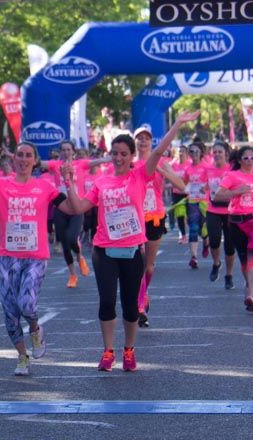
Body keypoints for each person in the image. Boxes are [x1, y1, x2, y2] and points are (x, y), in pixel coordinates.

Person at [75, 112, 199, 372]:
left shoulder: (140, 174)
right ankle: (108, 351)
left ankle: (128, 351)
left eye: (123, 154)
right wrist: (67, 184)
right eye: (115, 153)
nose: (118, 158)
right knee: (107, 302)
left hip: (132, 250)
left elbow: (158, 152)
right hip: (104, 250)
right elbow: (80, 206)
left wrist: (177, 123)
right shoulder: (101, 181)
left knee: (131, 306)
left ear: (131, 156)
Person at [0, 143, 83, 376]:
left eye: (28, 155)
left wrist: (69, 183)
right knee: (10, 312)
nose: (23, 159)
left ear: (34, 160)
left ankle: (35, 329)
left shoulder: (45, 186)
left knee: (27, 305)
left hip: (35, 256)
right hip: (8, 257)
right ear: (14, 159)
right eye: (19, 155)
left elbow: (72, 208)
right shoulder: (0, 184)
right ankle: (22, 356)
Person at [133, 125, 185, 328]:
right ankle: (139, 307)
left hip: (155, 217)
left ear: (152, 142)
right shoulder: (130, 163)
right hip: (134, 219)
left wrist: (163, 171)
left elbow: (181, 185)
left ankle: (144, 292)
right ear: (135, 142)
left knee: (148, 265)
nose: (143, 141)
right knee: (138, 262)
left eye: (147, 138)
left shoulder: (161, 162)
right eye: (139, 138)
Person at [214, 146, 253, 313]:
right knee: (244, 260)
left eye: (252, 157)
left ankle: (252, 295)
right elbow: (217, 196)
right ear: (240, 160)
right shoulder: (232, 176)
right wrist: (236, 191)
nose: (249, 161)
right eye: (246, 158)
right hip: (236, 221)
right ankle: (249, 287)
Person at [45, 141, 106, 288]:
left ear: (73, 151)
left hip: (77, 208)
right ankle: (72, 275)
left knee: (72, 238)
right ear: (60, 152)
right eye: (64, 150)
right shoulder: (56, 165)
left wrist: (112, 158)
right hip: (60, 208)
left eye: (68, 149)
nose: (66, 152)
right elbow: (39, 163)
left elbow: (98, 161)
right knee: (65, 243)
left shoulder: (81, 164)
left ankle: (79, 257)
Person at [204, 142, 236, 289]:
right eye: (214, 152)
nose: (217, 154)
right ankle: (216, 263)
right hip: (213, 210)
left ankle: (229, 275)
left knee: (230, 246)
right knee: (214, 241)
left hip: (230, 211)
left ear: (226, 154)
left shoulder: (232, 170)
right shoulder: (208, 169)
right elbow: (204, 186)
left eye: (220, 152)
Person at [182, 143, 209, 269]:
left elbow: (214, 182)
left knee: (203, 228)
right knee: (193, 227)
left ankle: (206, 241)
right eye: (191, 151)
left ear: (201, 153)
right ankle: (194, 257)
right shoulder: (188, 169)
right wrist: (186, 191)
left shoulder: (207, 167)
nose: (194, 154)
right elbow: (185, 183)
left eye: (196, 151)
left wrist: (206, 187)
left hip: (204, 201)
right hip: (192, 201)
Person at [168, 144, 190, 242]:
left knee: (190, 215)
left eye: (183, 151)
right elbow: (168, 177)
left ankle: (193, 229)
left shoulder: (190, 164)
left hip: (188, 193)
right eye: (179, 151)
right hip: (176, 193)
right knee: (180, 215)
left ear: (186, 153)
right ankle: (183, 235)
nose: (181, 153)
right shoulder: (173, 165)